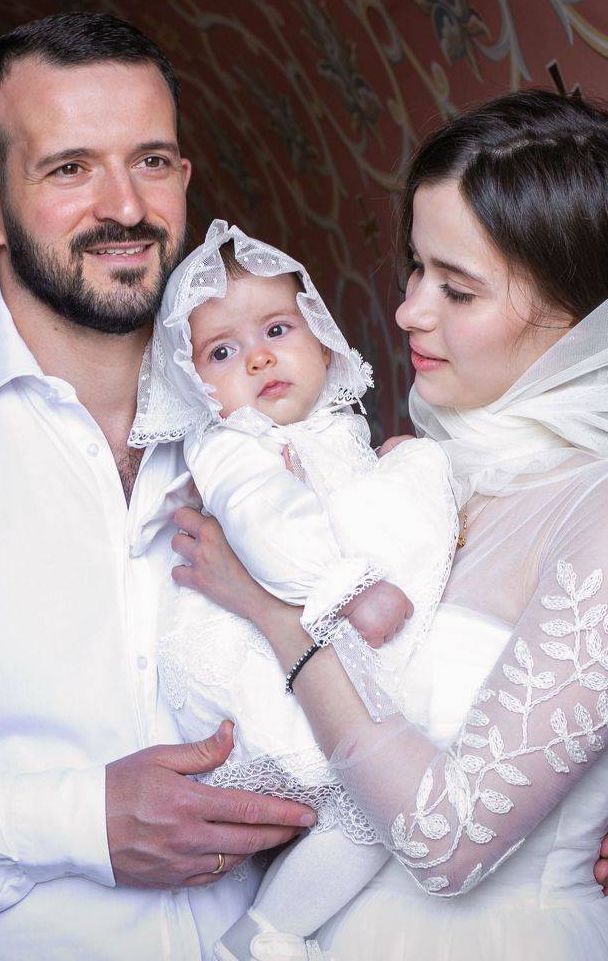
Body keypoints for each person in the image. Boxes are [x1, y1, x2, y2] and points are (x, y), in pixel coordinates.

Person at [0, 14, 608, 960]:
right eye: (70, 168)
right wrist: (79, 821)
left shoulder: (303, 428)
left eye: (152, 161)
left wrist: (557, 806)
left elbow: (418, 673)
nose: (125, 205)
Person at [172, 89, 608, 959]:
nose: (410, 311)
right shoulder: (427, 472)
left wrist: (279, 617)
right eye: (416, 269)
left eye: (456, 288)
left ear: (584, 315)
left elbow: (448, 839)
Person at [136, 220, 459, 956]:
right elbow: (266, 522)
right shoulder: (231, 445)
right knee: (371, 811)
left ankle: (269, 933)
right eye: (221, 352)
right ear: (193, 385)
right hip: (252, 680)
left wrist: (390, 469)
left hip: (308, 661)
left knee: (374, 807)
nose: (257, 357)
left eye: (277, 329)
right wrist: (348, 588)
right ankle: (262, 938)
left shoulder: (330, 430)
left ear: (321, 338)